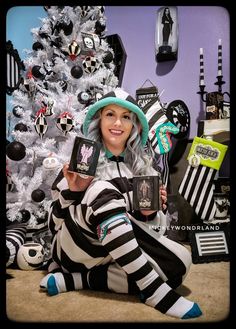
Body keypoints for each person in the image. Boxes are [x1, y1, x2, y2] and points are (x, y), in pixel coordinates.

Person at [40, 88, 202, 320]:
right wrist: (74, 193)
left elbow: (156, 233)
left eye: (126, 116)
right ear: (99, 120)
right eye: (110, 114)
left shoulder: (144, 171)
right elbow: (53, 224)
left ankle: (78, 281)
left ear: (135, 126)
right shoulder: (81, 162)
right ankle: (152, 290)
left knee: (180, 263)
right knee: (100, 189)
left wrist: (150, 214)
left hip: (119, 256)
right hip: (76, 248)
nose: (118, 122)